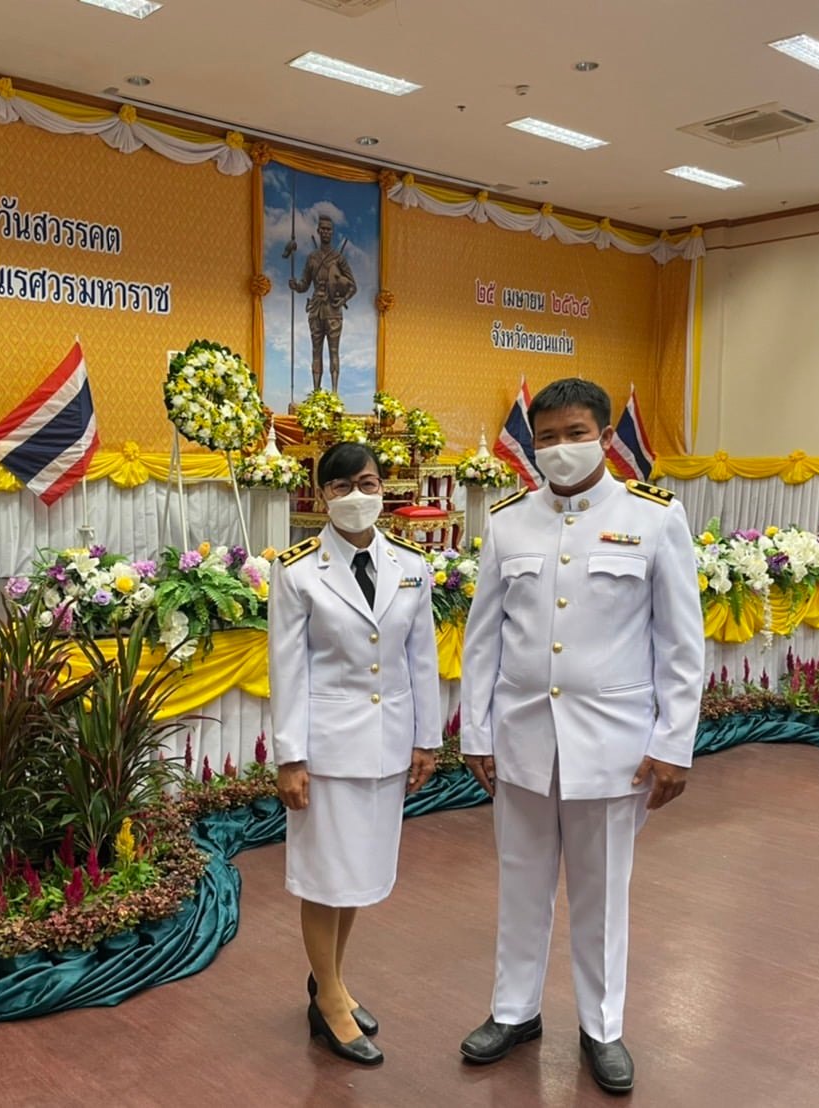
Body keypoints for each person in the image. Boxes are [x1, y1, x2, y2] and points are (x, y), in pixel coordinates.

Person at [457, 378, 704, 1095]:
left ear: (604, 437)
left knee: (601, 894)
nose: (561, 448)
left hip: (614, 747)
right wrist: (476, 731)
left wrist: (673, 744)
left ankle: (602, 1027)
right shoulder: (509, 521)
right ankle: (514, 1012)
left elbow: (681, 645)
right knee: (521, 883)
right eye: (548, 437)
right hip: (523, 738)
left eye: (576, 434)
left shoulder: (654, 518)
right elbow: (483, 639)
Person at [268, 441, 441, 1067]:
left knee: (358, 876)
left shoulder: (411, 566)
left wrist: (427, 738)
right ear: (322, 497)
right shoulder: (296, 572)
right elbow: (288, 669)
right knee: (325, 879)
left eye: (366, 483)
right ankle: (330, 1004)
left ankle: (331, 984)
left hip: (388, 745)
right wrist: (291, 757)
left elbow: (421, 658)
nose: (356, 496)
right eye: (341, 487)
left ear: (383, 488)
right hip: (328, 750)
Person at [287, 214, 357, 393]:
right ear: (318, 231)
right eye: (323, 229)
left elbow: (352, 286)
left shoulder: (338, 258)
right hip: (316, 309)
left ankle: (334, 394)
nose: (326, 232)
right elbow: (305, 284)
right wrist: (296, 286)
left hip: (333, 311)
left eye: (329, 229)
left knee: (334, 351)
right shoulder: (312, 258)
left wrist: (342, 300)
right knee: (315, 351)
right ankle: (316, 394)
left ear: (332, 232)